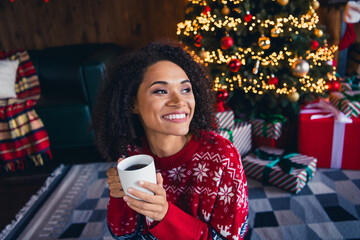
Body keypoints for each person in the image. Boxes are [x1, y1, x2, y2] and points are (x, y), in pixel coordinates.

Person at [91, 40, 248, 240]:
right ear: (132, 103)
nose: (179, 101)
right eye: (161, 91)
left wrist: (165, 215)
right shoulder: (132, 154)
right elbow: (123, 234)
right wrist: (118, 197)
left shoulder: (222, 156)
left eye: (185, 90)